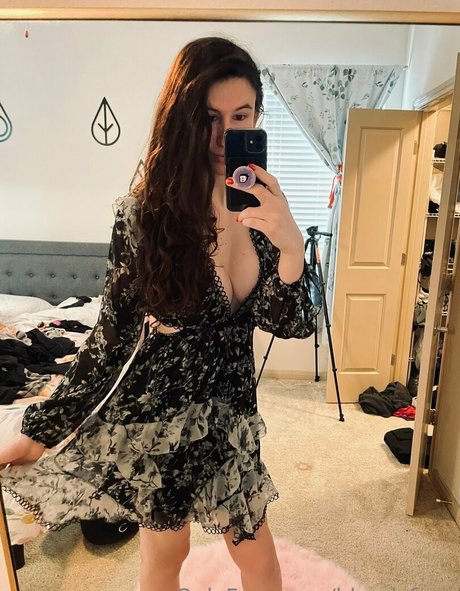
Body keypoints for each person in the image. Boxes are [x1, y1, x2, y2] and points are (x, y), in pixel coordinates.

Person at [0, 37, 317, 591]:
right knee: (166, 560)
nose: (222, 136)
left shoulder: (263, 209)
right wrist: (41, 429)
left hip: (231, 420)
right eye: (208, 118)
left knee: (260, 561)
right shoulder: (145, 217)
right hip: (160, 423)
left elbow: (290, 322)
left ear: (256, 118)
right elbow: (110, 341)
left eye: (240, 116)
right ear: (182, 119)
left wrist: (291, 249)